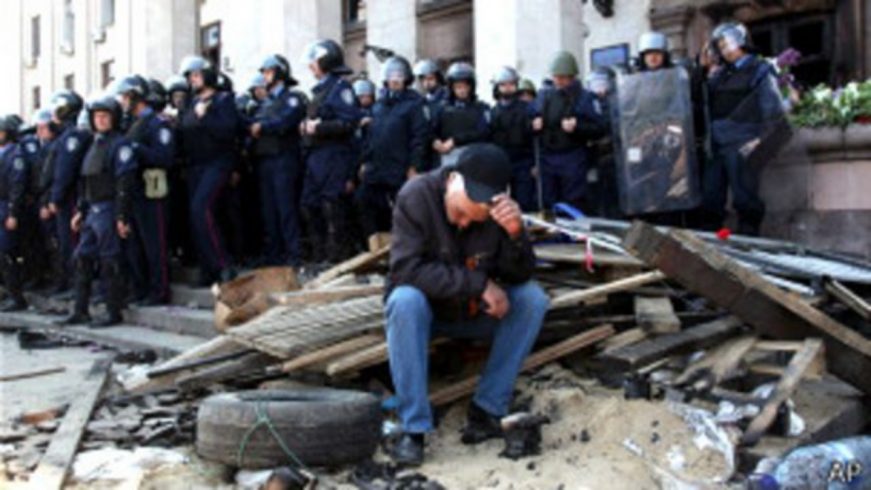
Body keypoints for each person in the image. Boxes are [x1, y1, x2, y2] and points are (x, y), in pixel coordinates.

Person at [385, 143, 549, 466]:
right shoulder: (415, 196)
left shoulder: (496, 213)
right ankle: (413, 429)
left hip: (473, 313)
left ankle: (487, 410)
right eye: (459, 213)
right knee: (404, 301)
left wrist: (517, 236)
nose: (462, 224)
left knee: (532, 299)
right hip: (425, 315)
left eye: (472, 220)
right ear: (452, 180)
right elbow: (405, 269)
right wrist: (478, 284)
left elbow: (520, 274)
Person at [57, 96, 137, 327]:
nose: (100, 120)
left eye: (105, 116)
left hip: (109, 207)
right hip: (92, 210)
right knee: (82, 258)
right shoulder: (94, 144)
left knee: (109, 260)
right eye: (97, 116)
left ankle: (114, 311)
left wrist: (122, 216)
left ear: (114, 118)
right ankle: (80, 310)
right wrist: (80, 210)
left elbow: (124, 182)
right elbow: (86, 181)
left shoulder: (119, 145)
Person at [704, 22, 784, 236]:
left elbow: (772, 109)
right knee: (710, 198)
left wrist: (760, 140)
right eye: (720, 46)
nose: (726, 50)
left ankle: (750, 242)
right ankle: (712, 246)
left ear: (741, 42)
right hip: (718, 144)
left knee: (745, 199)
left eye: (728, 43)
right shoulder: (720, 75)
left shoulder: (760, 69)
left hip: (743, 141)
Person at [177, 55, 240, 285]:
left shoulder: (223, 100)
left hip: (217, 162)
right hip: (196, 165)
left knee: (201, 209)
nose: (192, 80)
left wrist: (205, 118)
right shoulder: (190, 103)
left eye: (196, 75)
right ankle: (208, 267)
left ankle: (224, 265)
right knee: (197, 217)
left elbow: (228, 130)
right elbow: (184, 127)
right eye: (190, 76)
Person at [299, 39, 362, 263]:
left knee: (332, 208)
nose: (311, 66)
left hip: (334, 156)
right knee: (309, 205)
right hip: (316, 156)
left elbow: (349, 123)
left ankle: (337, 259)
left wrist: (319, 127)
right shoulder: (321, 90)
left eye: (314, 62)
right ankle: (320, 256)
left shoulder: (340, 88)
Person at [116, 75, 175, 305]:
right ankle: (143, 289)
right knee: (137, 244)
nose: (122, 102)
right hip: (135, 191)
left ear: (135, 97)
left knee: (155, 244)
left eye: (125, 97)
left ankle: (160, 290)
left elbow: (165, 157)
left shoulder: (157, 124)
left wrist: (136, 148)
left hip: (153, 191)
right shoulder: (131, 124)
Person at [357, 56, 429, 240]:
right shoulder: (378, 106)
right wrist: (365, 161)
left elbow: (419, 137)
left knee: (403, 210)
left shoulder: (414, 104)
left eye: (399, 75)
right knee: (364, 201)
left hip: (400, 168)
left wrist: (414, 166)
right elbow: (371, 135)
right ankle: (374, 245)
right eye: (391, 75)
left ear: (406, 78)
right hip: (376, 167)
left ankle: (405, 247)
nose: (395, 79)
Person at [248, 54, 307, 267]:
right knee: (269, 209)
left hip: (284, 159)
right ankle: (274, 254)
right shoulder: (266, 103)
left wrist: (263, 127)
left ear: (280, 73)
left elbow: (285, 121)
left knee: (286, 208)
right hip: (265, 160)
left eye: (268, 71)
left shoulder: (291, 99)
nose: (264, 76)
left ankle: (293, 255)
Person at [532, 51, 603, 211]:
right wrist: (534, 122)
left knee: (574, 201)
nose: (559, 81)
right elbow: (530, 116)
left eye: (563, 78)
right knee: (548, 200)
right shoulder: (545, 96)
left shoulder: (585, 98)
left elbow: (599, 127)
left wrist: (578, 126)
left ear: (572, 76)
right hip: (548, 156)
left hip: (573, 156)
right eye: (556, 77)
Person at [47, 90, 91, 295]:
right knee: (66, 242)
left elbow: (65, 171)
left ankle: (78, 285)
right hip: (70, 196)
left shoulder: (73, 136)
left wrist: (56, 197)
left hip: (72, 196)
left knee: (71, 242)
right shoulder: (67, 136)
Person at [489, 66, 537, 212]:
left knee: (524, 203)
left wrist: (535, 164)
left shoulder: (528, 109)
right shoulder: (493, 112)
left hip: (524, 162)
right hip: (501, 162)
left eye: (511, 84)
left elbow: (535, 138)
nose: (507, 88)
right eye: (503, 85)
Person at [432, 62, 490, 167]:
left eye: (465, 87)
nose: (462, 91)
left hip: (473, 158)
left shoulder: (481, 108)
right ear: (451, 88)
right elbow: (431, 130)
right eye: (458, 87)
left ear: (471, 87)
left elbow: (483, 132)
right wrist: (435, 141)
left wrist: (455, 140)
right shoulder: (441, 109)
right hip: (448, 158)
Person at [0, 116, 28, 311]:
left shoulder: (15, 155)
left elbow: (17, 186)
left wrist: (13, 212)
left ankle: (16, 297)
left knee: (8, 253)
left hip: (6, 207)